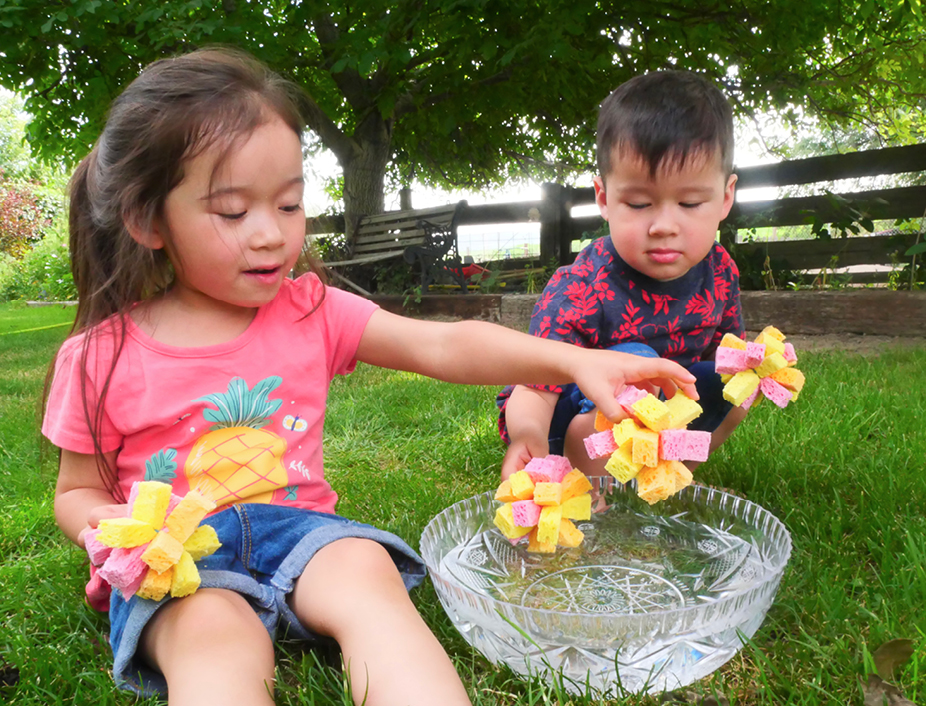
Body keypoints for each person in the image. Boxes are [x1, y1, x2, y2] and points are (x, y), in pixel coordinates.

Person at [42, 49, 700, 706]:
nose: (273, 235)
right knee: (216, 639)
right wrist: (114, 531)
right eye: (233, 212)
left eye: (291, 204)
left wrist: (571, 360)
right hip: (180, 565)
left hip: (305, 538)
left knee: (367, 577)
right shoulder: (100, 356)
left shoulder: (312, 309)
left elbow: (442, 346)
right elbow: (76, 492)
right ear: (148, 219)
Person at [499, 70, 747, 481]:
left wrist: (756, 367)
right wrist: (527, 437)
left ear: (724, 198)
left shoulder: (719, 272)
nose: (664, 225)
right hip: (574, 422)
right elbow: (534, 384)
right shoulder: (582, 286)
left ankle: (668, 476)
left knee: (735, 381)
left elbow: (722, 354)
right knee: (640, 363)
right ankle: (593, 480)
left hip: (662, 415)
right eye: (637, 204)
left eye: (689, 202)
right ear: (604, 198)